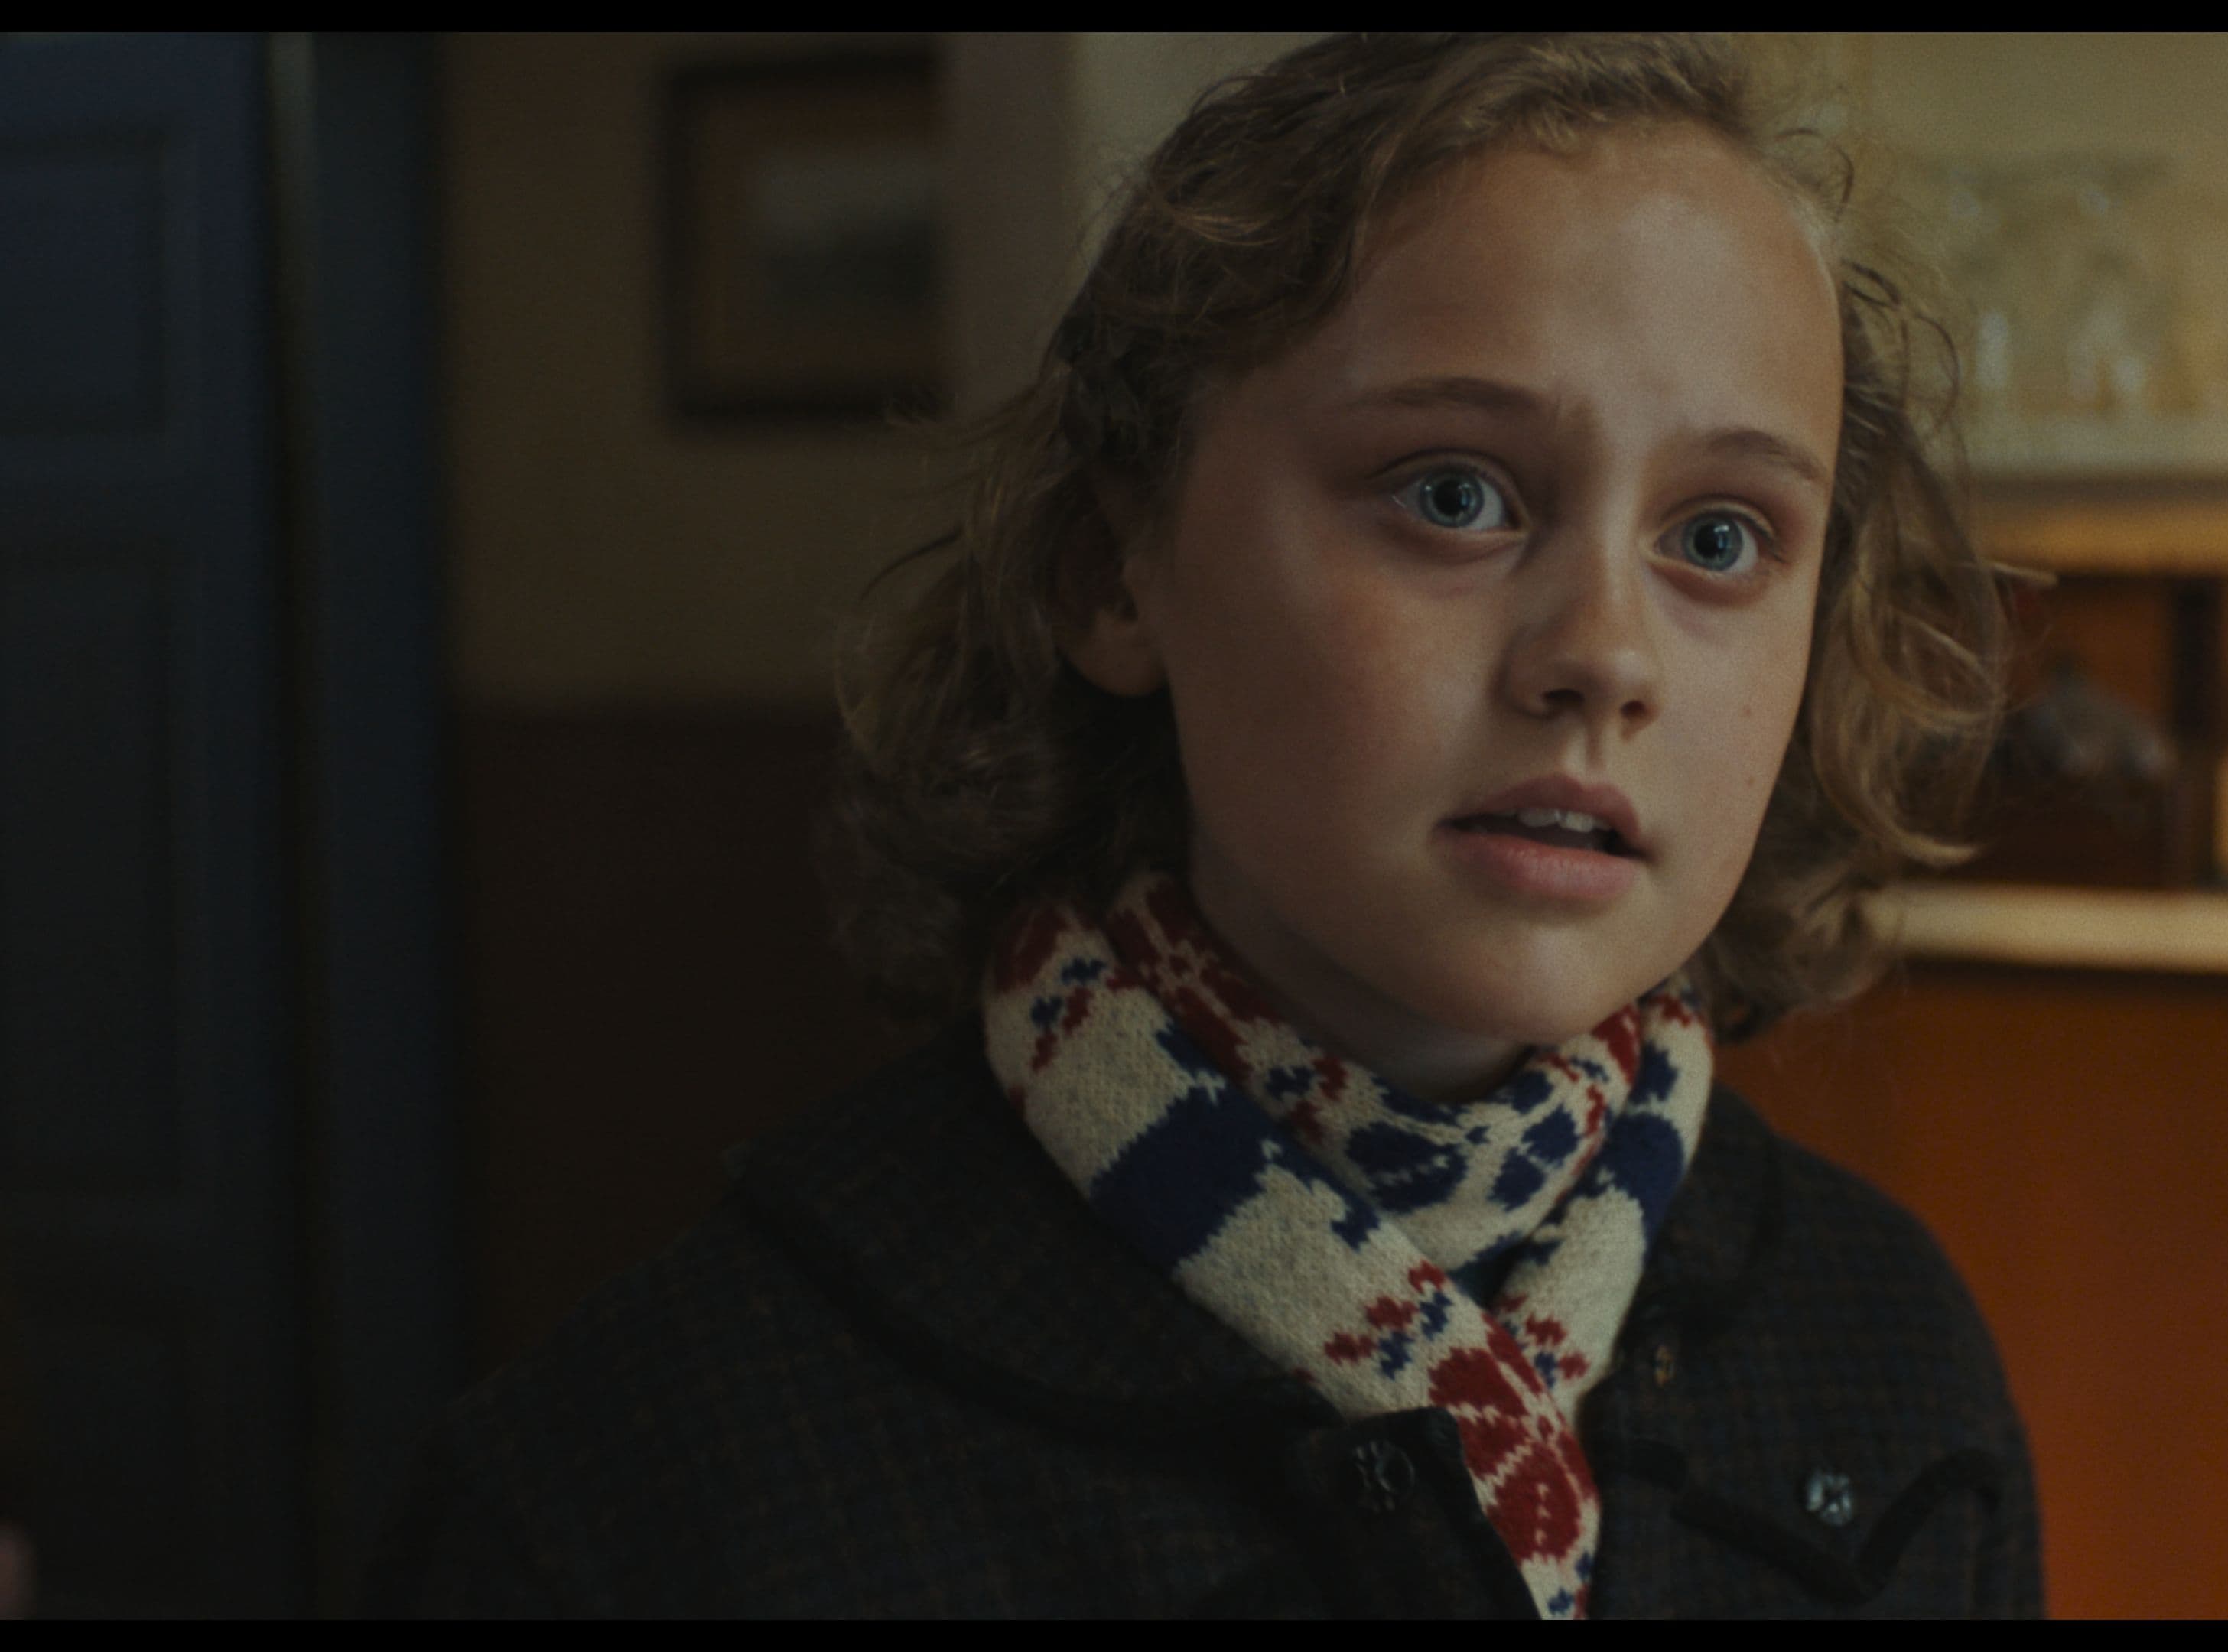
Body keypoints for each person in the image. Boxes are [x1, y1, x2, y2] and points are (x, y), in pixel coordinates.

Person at [368, 32, 2035, 1617]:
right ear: (1114, 570)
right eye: (1454, 495)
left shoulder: (1893, 1361)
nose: (1606, 653)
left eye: (1723, 538)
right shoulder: (638, 1486)